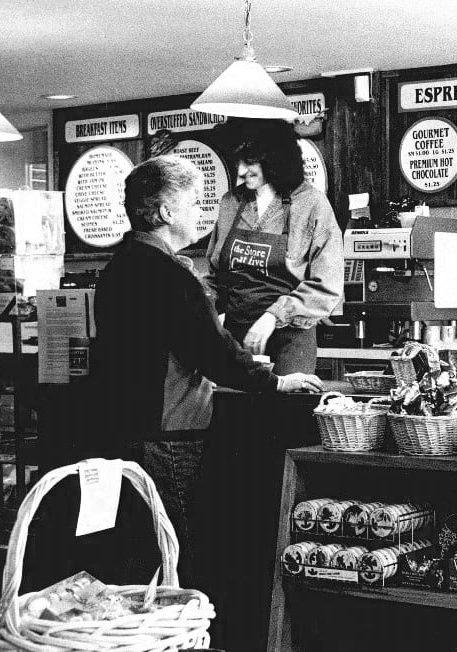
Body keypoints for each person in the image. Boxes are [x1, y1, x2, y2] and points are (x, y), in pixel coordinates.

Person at [93, 155, 324, 584]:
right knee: (174, 555)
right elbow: (212, 353)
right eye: (194, 203)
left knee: (136, 553)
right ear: (165, 212)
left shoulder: (117, 268)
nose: (201, 213)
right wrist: (274, 382)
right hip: (169, 437)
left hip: (122, 430)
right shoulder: (170, 275)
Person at [205, 120, 343, 374]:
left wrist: (273, 316)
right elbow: (216, 276)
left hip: (290, 338)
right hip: (234, 339)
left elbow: (327, 286)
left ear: (276, 158)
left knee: (282, 411)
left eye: (250, 162)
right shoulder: (231, 203)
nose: (242, 171)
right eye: (238, 162)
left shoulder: (311, 204)